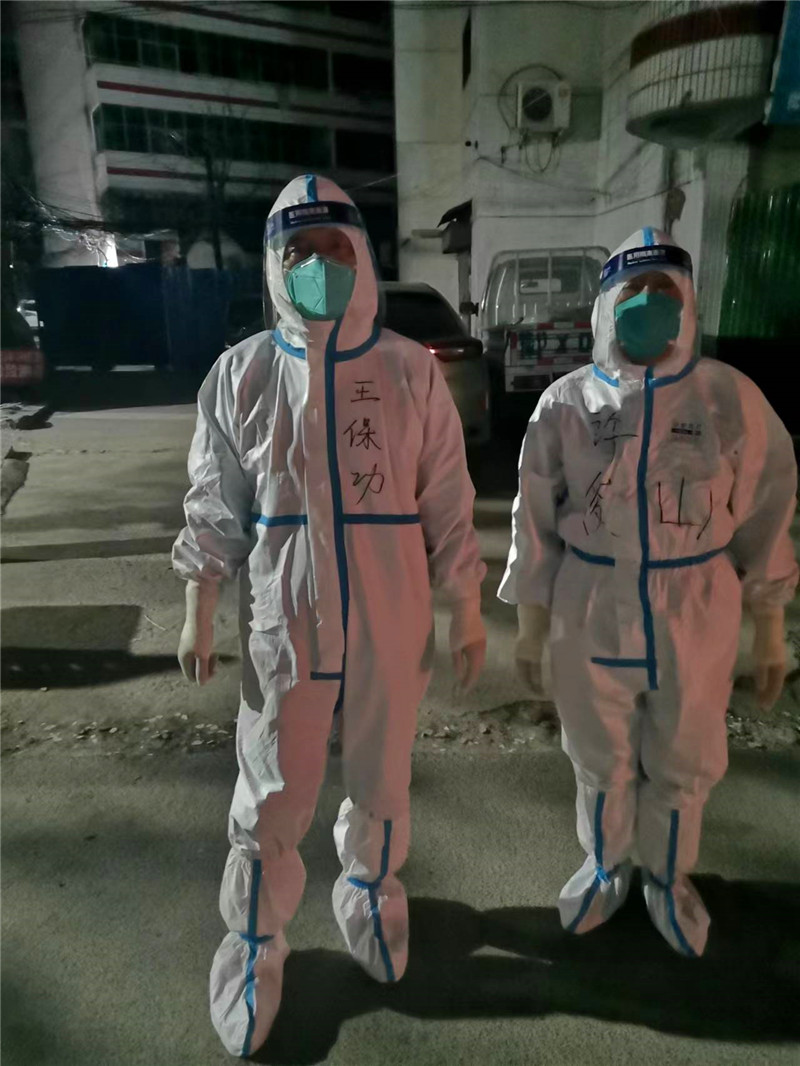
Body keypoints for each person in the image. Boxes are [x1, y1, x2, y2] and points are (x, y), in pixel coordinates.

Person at [173, 174, 486, 1057]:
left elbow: (447, 495)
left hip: (390, 612)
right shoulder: (241, 374)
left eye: (334, 249)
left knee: (383, 773)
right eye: (297, 251)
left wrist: (465, 603)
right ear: (274, 264)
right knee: (271, 786)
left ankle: (372, 894)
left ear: (364, 258)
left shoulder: (407, 369)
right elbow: (215, 501)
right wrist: (198, 600)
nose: (316, 266)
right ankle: (253, 943)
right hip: (286, 619)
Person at [499, 227, 797, 957]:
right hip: (590, 598)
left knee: (685, 752)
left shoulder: (729, 398)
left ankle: (667, 875)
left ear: (689, 303)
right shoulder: (568, 402)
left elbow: (769, 510)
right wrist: (531, 625)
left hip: (693, 600)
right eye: (635, 291)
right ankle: (606, 866)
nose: (651, 303)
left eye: (667, 291)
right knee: (596, 750)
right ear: (606, 305)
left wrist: (770, 627)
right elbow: (534, 515)